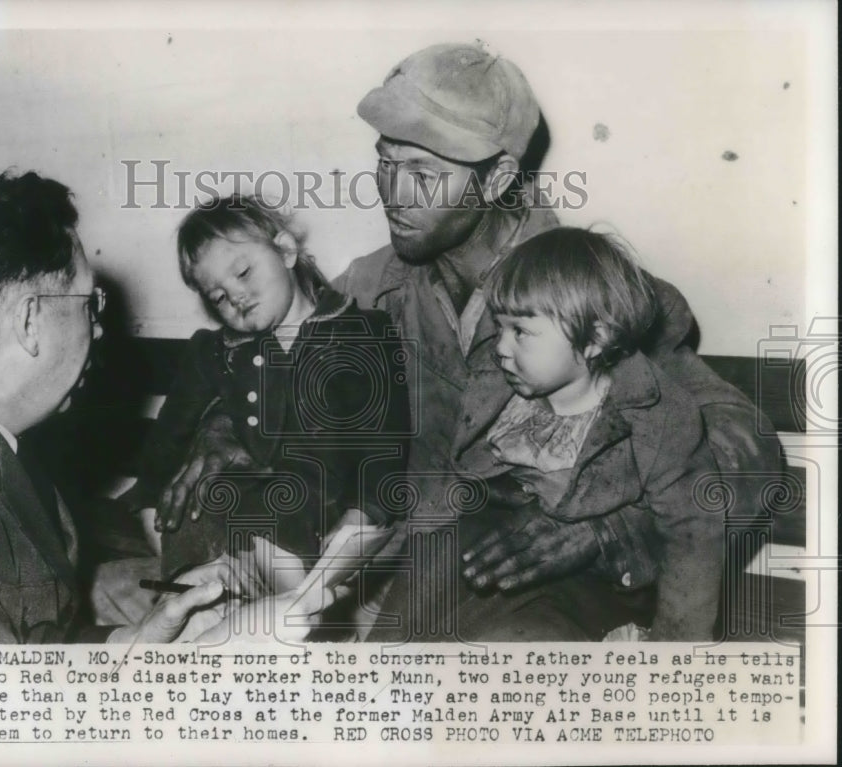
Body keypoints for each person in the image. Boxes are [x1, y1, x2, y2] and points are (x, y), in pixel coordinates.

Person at [158, 43, 783, 641]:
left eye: (423, 173)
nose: (392, 192)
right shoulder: (368, 290)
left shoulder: (592, 292)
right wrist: (219, 427)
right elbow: (268, 348)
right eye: (386, 161)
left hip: (536, 587)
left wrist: (609, 530)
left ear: (498, 178)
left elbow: (741, 442)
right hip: (395, 569)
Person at [0, 171, 255, 645]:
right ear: (30, 321)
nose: (96, 329)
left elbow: (32, 641)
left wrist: (133, 643)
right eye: (88, 304)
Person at [113, 196, 409, 619]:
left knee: (290, 591)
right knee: (189, 565)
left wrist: (360, 519)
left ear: (286, 251)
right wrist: (151, 510)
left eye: (244, 272)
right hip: (226, 527)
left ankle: (281, 613)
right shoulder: (215, 352)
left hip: (319, 528)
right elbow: (167, 441)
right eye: (217, 295)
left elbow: (385, 447)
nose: (237, 297)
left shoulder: (363, 335)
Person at [470, 227, 723, 640]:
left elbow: (693, 539)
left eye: (521, 331)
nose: (500, 347)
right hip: (505, 566)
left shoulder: (656, 417)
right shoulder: (502, 393)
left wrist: (676, 654)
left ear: (595, 339)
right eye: (499, 328)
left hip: (606, 592)